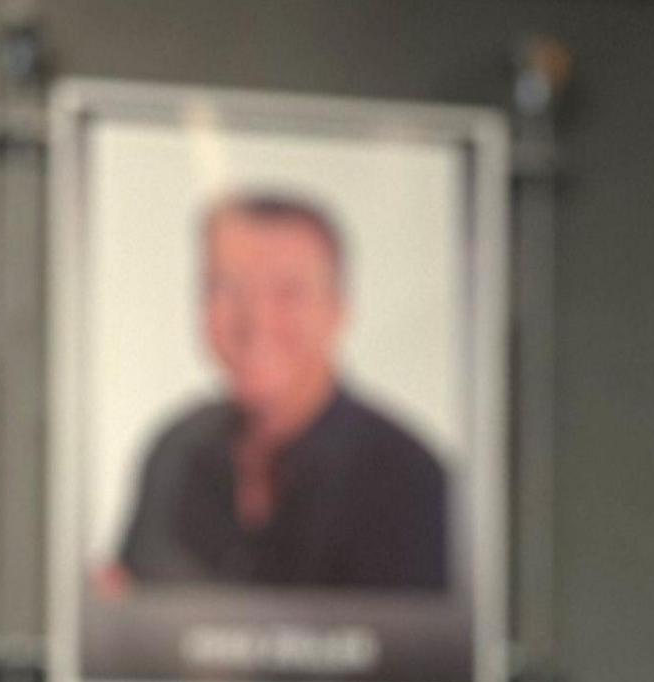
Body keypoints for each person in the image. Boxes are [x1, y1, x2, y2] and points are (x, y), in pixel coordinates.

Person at [110, 190, 455, 593]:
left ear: (338, 309)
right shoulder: (175, 449)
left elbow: (427, 650)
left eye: (288, 292)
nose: (256, 319)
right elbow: (130, 615)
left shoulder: (410, 481)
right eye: (227, 288)